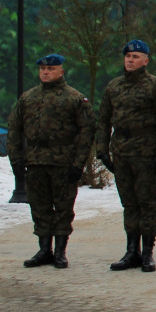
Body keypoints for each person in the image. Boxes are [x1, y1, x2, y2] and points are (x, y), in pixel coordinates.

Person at [7, 53, 95, 269]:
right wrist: (16, 160)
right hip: (36, 161)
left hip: (63, 161)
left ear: (61, 71)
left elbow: (86, 132)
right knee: (39, 206)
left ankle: (60, 251)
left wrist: (78, 163)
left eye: (51, 69)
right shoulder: (28, 98)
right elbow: (14, 129)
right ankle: (44, 249)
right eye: (42, 69)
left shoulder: (74, 99)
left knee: (64, 207)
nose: (45, 72)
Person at [97, 40, 156, 273]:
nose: (130, 60)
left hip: (146, 153)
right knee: (129, 203)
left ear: (146, 60)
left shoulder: (155, 87)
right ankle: (132, 251)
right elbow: (103, 120)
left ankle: (148, 253)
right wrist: (102, 150)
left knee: (146, 202)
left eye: (135, 56)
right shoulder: (114, 87)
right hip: (121, 151)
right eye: (128, 56)